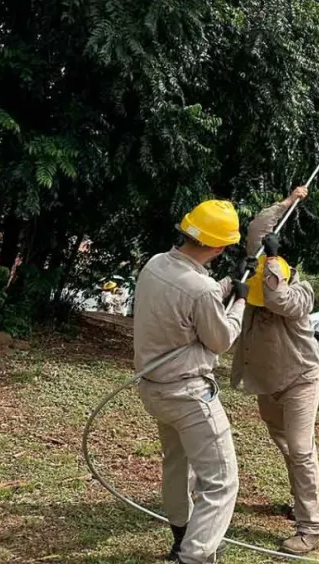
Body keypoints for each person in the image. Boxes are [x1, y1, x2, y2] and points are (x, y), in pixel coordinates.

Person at [133, 200, 248, 564]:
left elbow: (189, 299)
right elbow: (221, 339)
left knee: (176, 464)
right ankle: (194, 557)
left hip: (154, 390)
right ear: (218, 247)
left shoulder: (153, 266)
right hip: (188, 396)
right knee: (222, 481)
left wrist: (229, 282)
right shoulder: (201, 290)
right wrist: (240, 302)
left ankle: (181, 537)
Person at [230, 186, 319, 556]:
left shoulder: (301, 292)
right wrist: (288, 203)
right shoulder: (255, 292)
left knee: (301, 448)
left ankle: (310, 526)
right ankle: (298, 501)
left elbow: (278, 299)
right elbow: (257, 230)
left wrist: (271, 261)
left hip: (300, 380)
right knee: (286, 446)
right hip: (268, 383)